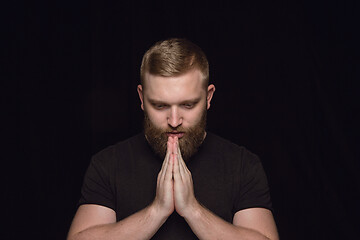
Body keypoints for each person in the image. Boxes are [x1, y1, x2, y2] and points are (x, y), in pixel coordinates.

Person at [67, 38, 279, 240]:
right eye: (160, 106)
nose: (174, 120)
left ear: (208, 97)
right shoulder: (107, 164)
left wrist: (193, 210)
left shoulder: (243, 165)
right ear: (142, 98)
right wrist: (157, 211)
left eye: (187, 105)